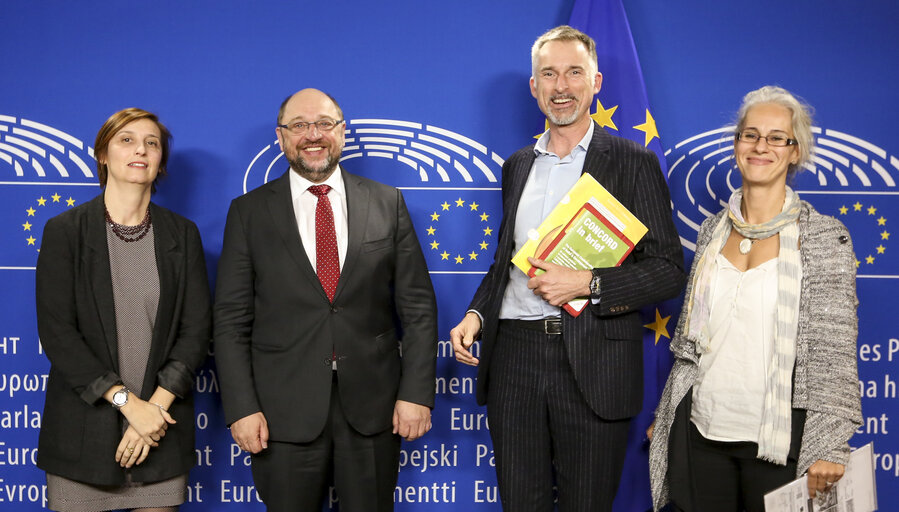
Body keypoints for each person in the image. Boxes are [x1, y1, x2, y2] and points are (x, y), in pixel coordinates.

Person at [449, 26, 685, 511]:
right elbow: (504, 263)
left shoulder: (632, 162)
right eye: (549, 74)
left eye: (574, 72)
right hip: (513, 355)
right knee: (521, 503)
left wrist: (589, 283)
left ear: (596, 82)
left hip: (594, 361)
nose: (561, 86)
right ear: (534, 87)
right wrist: (476, 315)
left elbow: (667, 270)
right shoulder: (517, 166)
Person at [214, 88, 438, 511]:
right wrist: (241, 408)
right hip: (281, 415)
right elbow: (229, 321)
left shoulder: (387, 202)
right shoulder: (248, 213)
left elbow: (419, 309)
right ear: (281, 138)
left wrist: (416, 394)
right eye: (299, 125)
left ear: (342, 133)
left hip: (374, 410)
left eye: (324, 124)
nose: (312, 134)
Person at [647, 86, 863, 512]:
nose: (761, 146)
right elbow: (695, 343)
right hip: (702, 431)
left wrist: (832, 441)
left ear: (795, 151)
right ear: (736, 145)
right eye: (750, 135)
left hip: (783, 442)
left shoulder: (823, 238)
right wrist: (669, 413)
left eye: (776, 137)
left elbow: (833, 350)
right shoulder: (713, 231)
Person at [35, 108, 212, 512]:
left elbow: (196, 331)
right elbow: (59, 335)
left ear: (161, 161)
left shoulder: (183, 235)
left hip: (159, 433)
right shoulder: (65, 231)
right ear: (103, 154)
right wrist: (129, 406)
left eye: (152, 143)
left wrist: (153, 412)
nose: (141, 150)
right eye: (126, 140)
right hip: (83, 434)